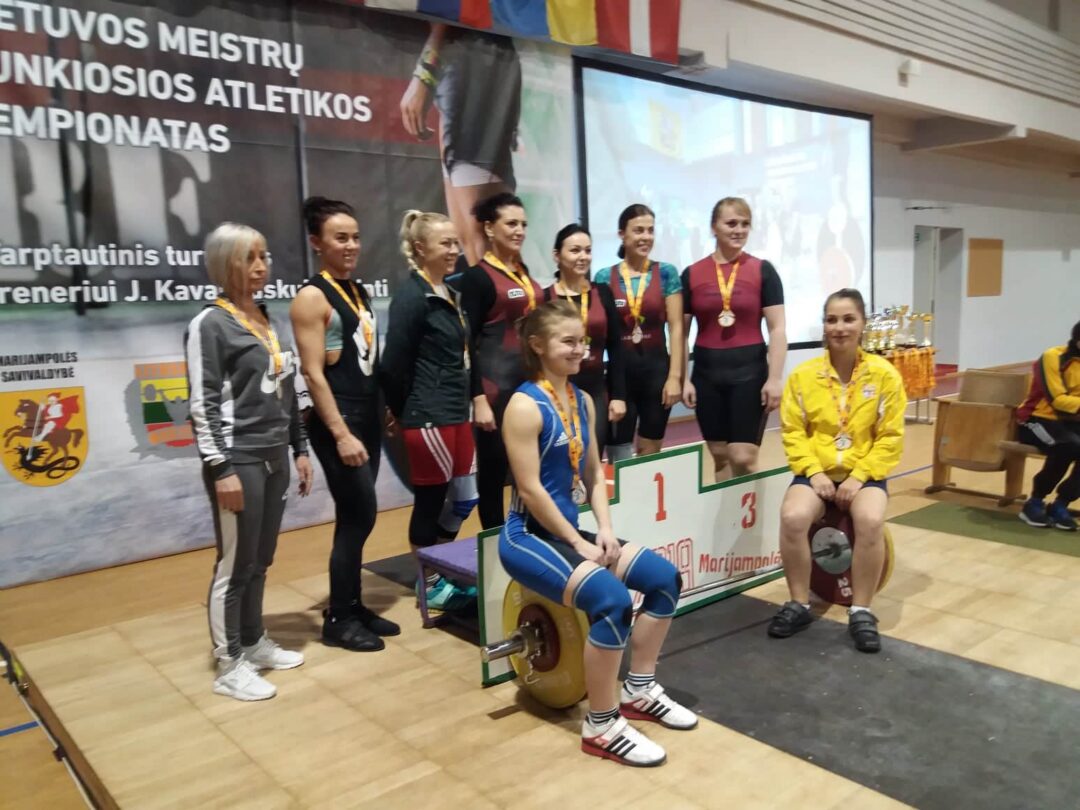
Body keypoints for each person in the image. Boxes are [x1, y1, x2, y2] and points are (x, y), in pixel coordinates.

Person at [499, 300, 697, 767]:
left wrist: (605, 530)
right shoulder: (524, 406)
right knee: (611, 601)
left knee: (664, 579)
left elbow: (592, 473)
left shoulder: (582, 401)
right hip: (527, 538)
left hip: (571, 531)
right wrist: (578, 543)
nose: (579, 350)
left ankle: (639, 689)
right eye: (567, 341)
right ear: (537, 345)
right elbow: (530, 490)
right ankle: (602, 725)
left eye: (582, 341)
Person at [185, 222, 314, 701]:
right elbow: (202, 405)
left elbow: (287, 391)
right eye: (249, 258)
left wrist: (299, 448)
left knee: (261, 559)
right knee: (235, 564)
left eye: (264, 256)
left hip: (274, 455)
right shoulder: (209, 324)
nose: (261, 266)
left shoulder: (265, 317)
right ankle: (229, 663)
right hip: (237, 458)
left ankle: (254, 640)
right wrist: (221, 469)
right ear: (225, 264)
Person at [290, 196, 400, 652]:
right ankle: (338, 619)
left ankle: (351, 604)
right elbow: (313, 373)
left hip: (366, 411)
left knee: (356, 516)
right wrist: (340, 433)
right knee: (360, 515)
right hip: (341, 418)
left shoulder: (357, 290)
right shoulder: (311, 297)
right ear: (317, 242)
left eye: (355, 237)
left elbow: (365, 354)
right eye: (340, 238)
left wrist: (384, 405)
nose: (352, 245)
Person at [770, 289, 906, 653]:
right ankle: (799, 603)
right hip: (816, 472)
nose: (839, 327)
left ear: (862, 324)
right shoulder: (803, 376)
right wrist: (813, 472)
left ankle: (861, 610)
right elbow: (793, 432)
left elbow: (891, 436)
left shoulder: (884, 375)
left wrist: (860, 476)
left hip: (866, 473)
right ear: (824, 325)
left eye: (848, 319)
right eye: (831, 320)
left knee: (870, 521)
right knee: (793, 516)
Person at [382, 210, 480, 611]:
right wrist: (401, 409)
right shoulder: (411, 298)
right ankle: (431, 581)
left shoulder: (449, 293)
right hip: (428, 416)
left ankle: (438, 566)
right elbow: (392, 364)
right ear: (420, 248)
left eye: (456, 242)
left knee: (465, 499)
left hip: (456, 412)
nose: (454, 250)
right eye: (445, 243)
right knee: (430, 501)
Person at [452, 192, 543, 529]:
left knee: (529, 471)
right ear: (489, 228)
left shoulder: (523, 272)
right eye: (511, 224)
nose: (519, 231)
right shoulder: (477, 278)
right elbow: (467, 343)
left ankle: (525, 537)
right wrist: (478, 398)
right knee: (493, 476)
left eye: (523, 224)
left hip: (529, 389)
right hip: (495, 393)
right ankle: (493, 545)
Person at [682, 197, 787, 479]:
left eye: (744, 224)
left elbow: (777, 329)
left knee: (743, 456)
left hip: (750, 374)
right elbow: (680, 334)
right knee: (720, 457)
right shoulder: (692, 274)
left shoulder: (763, 271)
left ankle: (753, 510)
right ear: (714, 227)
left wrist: (775, 379)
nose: (739, 230)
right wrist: (683, 379)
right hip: (706, 375)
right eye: (731, 223)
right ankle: (729, 510)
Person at [399, 23, 520, 265]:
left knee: (486, 234)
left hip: (477, 56)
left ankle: (505, 290)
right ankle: (486, 290)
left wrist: (424, 73)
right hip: (456, 61)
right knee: (468, 237)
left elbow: (445, 15)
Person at [593, 204, 684, 462]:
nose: (646, 237)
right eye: (638, 230)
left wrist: (675, 377)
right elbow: (602, 331)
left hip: (657, 376)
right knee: (618, 455)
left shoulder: (666, 273)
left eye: (650, 230)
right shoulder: (604, 276)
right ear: (622, 234)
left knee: (649, 453)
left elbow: (677, 328)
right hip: (620, 379)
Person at [543, 224, 626, 459]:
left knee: (592, 457)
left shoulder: (602, 292)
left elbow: (617, 348)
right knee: (562, 458)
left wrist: (618, 395)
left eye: (588, 250)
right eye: (575, 250)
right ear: (557, 255)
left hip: (595, 390)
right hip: (557, 390)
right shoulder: (545, 297)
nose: (583, 256)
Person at [1015, 320, 1080, 531]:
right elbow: (1057, 399)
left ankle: (1061, 504)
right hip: (1036, 419)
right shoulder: (1053, 357)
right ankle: (1034, 502)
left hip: (1072, 422)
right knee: (1068, 445)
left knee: (1072, 442)